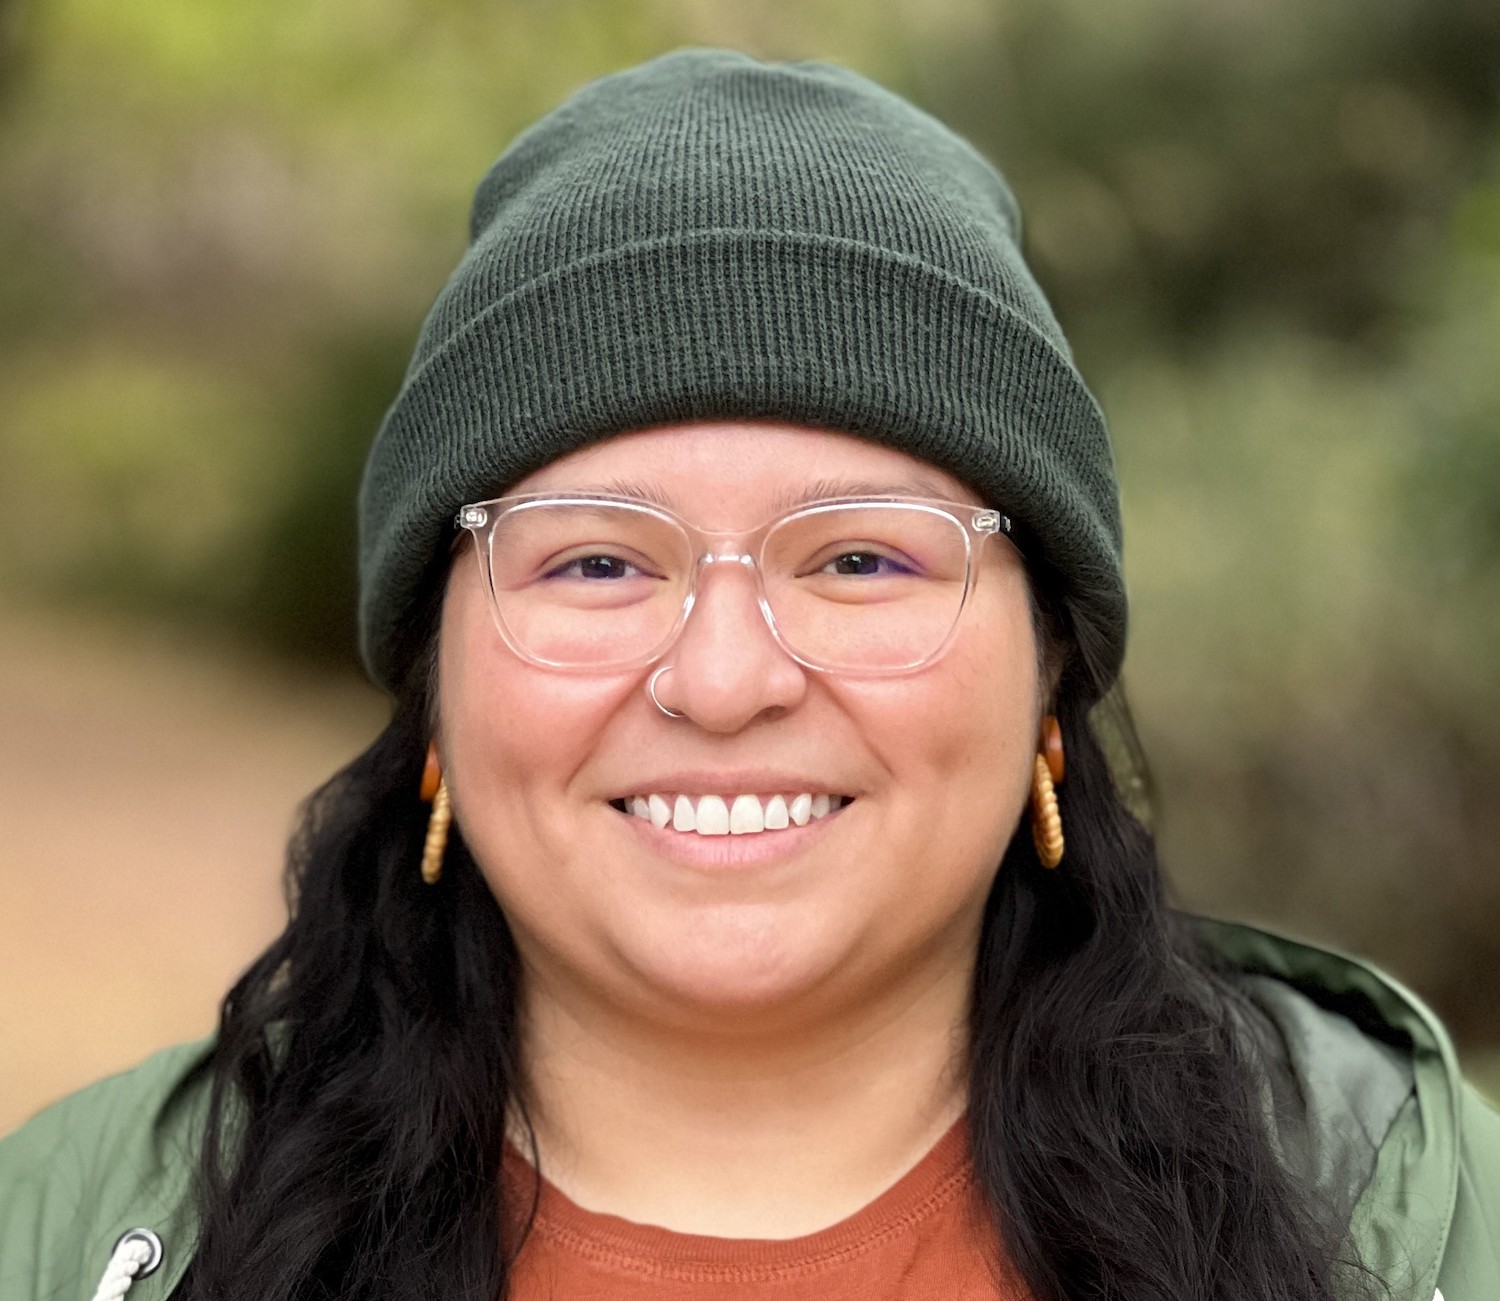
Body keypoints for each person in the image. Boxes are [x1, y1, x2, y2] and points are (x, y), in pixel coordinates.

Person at [2, 48, 1496, 1301]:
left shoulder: (1398, 1216)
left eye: (859, 561)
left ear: (1052, 676)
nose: (721, 679)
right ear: (435, 692)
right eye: (595, 563)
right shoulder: (87, 1238)